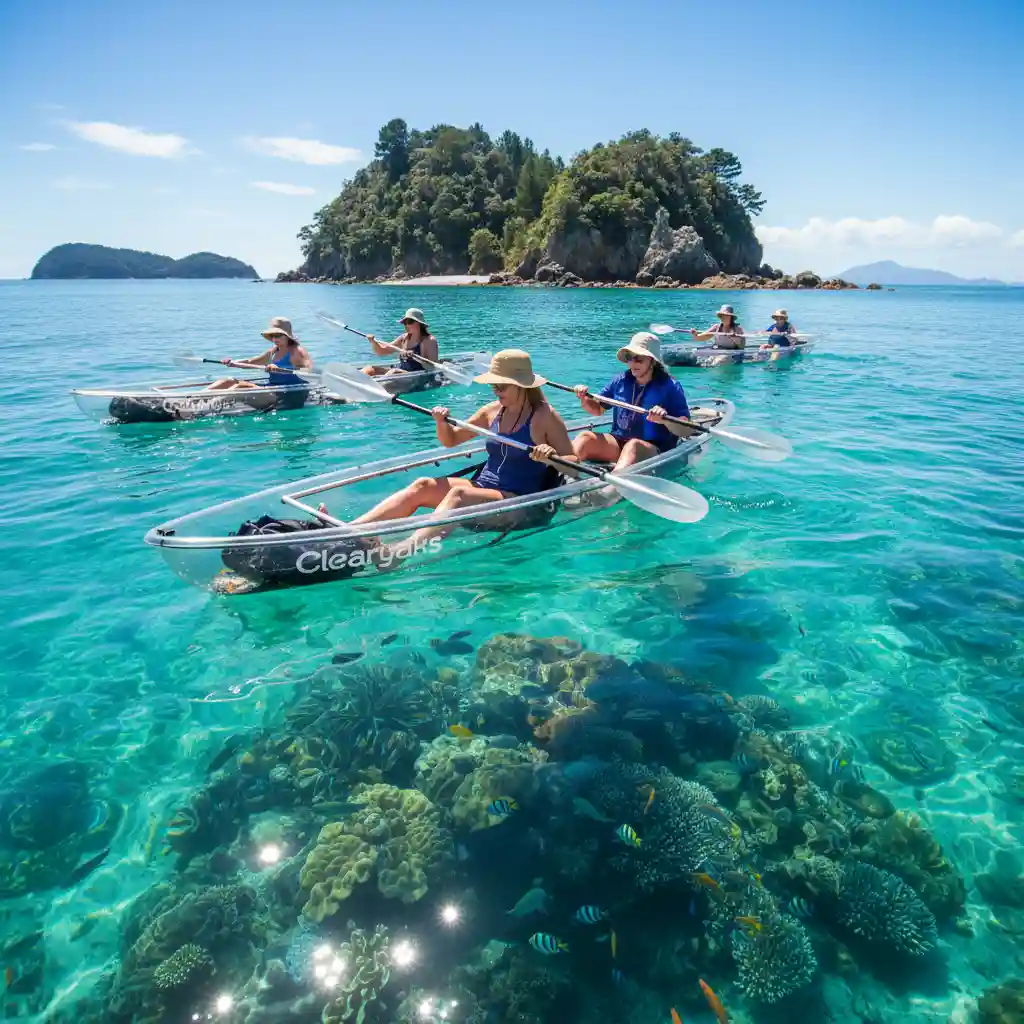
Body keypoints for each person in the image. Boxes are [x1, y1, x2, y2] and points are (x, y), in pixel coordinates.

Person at [321, 350, 577, 550]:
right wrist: (440, 423)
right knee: (423, 485)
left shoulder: (545, 417)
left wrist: (550, 457)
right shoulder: (491, 411)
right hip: (485, 489)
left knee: (457, 497)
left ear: (521, 385)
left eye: (501, 386)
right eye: (494, 385)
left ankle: (397, 553)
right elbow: (451, 441)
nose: (495, 390)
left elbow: (573, 461)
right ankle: (346, 532)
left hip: (520, 503)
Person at [571, 332, 695, 472]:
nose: (632, 363)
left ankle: (610, 487)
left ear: (652, 361)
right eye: (630, 358)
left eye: (639, 359)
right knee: (585, 437)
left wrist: (665, 420)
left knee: (633, 446)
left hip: (654, 449)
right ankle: (561, 475)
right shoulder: (620, 380)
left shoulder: (670, 386)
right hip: (619, 442)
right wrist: (584, 398)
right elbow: (597, 409)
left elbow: (686, 430)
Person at [207, 317, 313, 390]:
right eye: (272, 335)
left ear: (287, 335)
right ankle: (194, 400)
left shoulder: (297, 351)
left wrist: (282, 370)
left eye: (278, 335)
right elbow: (250, 362)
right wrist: (232, 362)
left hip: (291, 391)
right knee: (227, 381)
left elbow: (310, 372)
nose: (274, 339)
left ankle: (210, 404)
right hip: (271, 387)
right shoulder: (273, 351)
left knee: (240, 387)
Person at [361, 308, 440, 377]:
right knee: (369, 368)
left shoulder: (429, 340)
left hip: (416, 376)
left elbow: (432, 368)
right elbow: (382, 351)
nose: (406, 325)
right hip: (402, 372)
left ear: (419, 323)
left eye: (409, 321)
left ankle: (378, 388)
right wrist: (373, 342)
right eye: (405, 322)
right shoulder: (404, 338)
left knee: (394, 372)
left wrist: (415, 357)